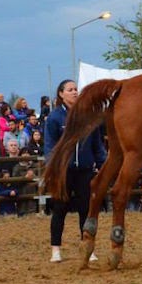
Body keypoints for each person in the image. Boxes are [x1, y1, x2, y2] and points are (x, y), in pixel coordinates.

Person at [44, 79, 107, 264]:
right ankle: (56, 249)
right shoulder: (54, 118)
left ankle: (88, 247)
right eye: (70, 89)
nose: (74, 92)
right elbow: (49, 146)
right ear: (61, 93)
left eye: (75, 89)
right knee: (60, 209)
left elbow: (98, 146)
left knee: (86, 210)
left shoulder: (89, 116)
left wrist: (103, 165)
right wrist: (52, 168)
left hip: (85, 170)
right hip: (64, 170)